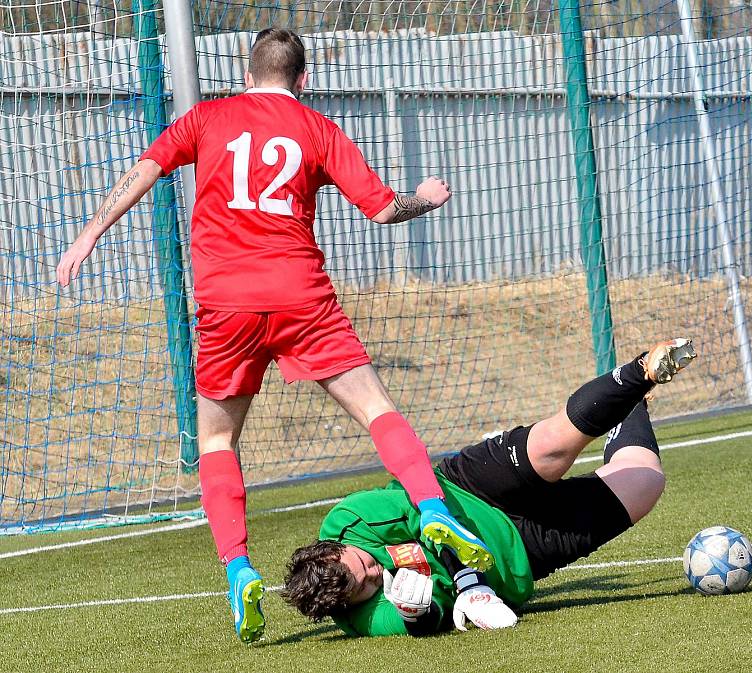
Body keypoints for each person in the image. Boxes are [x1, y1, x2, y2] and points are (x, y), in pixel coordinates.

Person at [55, 27, 493, 644]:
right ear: (303, 79)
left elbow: (146, 169)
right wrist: (423, 199)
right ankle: (434, 511)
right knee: (376, 411)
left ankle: (238, 568)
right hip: (300, 295)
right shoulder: (318, 128)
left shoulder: (207, 116)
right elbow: (383, 209)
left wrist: (88, 236)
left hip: (226, 303)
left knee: (215, 440)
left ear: (246, 71)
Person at [282, 338, 697, 636]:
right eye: (367, 587)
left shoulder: (348, 521)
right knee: (645, 481)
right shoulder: (361, 617)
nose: (375, 574)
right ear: (345, 608)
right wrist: (417, 614)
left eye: (365, 566)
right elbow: (420, 622)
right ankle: (629, 410)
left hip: (468, 490)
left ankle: (640, 373)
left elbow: (423, 511)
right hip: (519, 553)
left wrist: (468, 583)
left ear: (336, 548)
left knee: (552, 447)